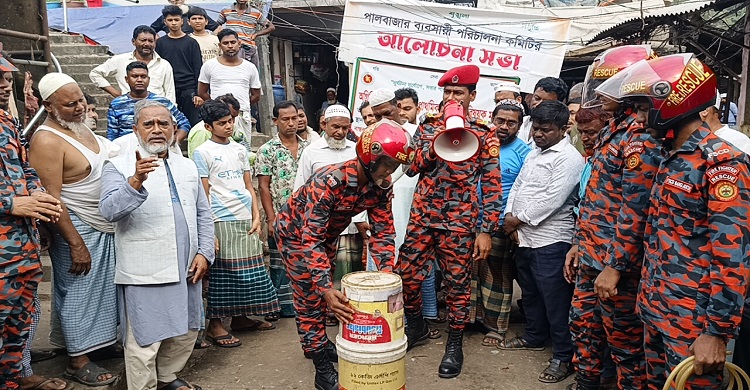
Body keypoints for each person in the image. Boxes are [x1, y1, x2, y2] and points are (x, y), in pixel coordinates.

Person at [600, 53, 750, 389]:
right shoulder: (670, 157)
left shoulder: (721, 164)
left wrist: (716, 332)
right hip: (655, 308)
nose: (638, 118)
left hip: (693, 322)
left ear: (674, 102)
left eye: (642, 108)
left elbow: (733, 258)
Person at [275, 121, 414, 390]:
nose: (390, 172)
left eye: (395, 167)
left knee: (322, 289)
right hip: (295, 235)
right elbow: (310, 238)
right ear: (369, 156)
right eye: (387, 165)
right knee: (311, 298)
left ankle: (318, 344)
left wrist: (386, 278)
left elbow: (384, 233)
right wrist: (326, 289)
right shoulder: (329, 182)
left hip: (325, 236)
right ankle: (320, 365)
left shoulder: (381, 186)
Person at [99, 100, 213, 390]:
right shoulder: (118, 165)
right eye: (148, 124)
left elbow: (203, 213)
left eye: (164, 123)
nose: (157, 130)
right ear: (136, 129)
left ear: (174, 129)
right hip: (145, 268)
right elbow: (109, 210)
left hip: (188, 266)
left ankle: (166, 377)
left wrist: (205, 252)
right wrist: (136, 180)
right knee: (145, 339)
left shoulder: (186, 165)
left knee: (186, 330)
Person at [399, 65, 503, 379]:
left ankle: (454, 343)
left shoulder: (485, 132)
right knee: (406, 276)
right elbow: (409, 168)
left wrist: (486, 230)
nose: (451, 97)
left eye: (458, 92)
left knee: (458, 287)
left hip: (460, 223)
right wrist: (435, 144)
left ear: (472, 96)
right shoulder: (428, 125)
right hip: (423, 217)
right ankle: (416, 326)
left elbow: (493, 184)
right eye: (447, 92)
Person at [566, 44, 656, 390]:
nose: (599, 93)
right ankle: (586, 383)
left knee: (625, 348)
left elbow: (634, 210)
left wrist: (615, 266)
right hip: (592, 255)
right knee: (584, 329)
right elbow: (596, 198)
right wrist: (579, 243)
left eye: (609, 85)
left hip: (616, 266)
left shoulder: (640, 137)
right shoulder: (612, 129)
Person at [28, 73, 118, 387]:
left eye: (80, 100)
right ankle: (78, 361)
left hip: (102, 223)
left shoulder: (79, 128)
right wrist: (75, 242)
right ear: (48, 107)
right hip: (76, 225)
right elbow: (51, 198)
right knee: (77, 293)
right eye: (69, 105)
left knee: (100, 292)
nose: (79, 108)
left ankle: (96, 344)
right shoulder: (47, 139)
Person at [500, 100, 584, 384]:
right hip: (524, 237)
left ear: (563, 129)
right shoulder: (535, 152)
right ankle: (534, 336)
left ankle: (563, 355)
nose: (538, 134)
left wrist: (517, 219)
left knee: (556, 300)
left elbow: (553, 200)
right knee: (531, 293)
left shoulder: (570, 158)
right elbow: (519, 186)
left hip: (551, 240)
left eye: (546, 130)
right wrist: (509, 214)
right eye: (535, 128)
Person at [0, 55, 64, 390]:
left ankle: (13, 381)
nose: (3, 85)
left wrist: (38, 194)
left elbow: (25, 168)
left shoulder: (7, 123)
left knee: (18, 323)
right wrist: (11, 202)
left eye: (7, 79)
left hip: (22, 249)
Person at [193, 100, 278, 348]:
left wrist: (256, 216)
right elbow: (204, 193)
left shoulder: (240, 150)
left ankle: (241, 319)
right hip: (220, 218)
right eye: (222, 123)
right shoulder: (202, 152)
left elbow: (248, 185)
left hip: (245, 218)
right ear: (208, 127)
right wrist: (209, 231)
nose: (228, 126)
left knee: (250, 271)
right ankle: (215, 325)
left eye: (230, 121)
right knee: (223, 274)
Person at [472, 99, 530, 347]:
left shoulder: (524, 152)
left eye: (511, 123)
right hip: (471, 219)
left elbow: (525, 189)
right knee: (472, 272)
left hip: (500, 222)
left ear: (519, 126)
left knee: (497, 275)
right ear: (492, 119)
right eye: (500, 120)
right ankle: (472, 318)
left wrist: (513, 223)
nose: (504, 126)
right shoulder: (477, 143)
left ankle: (496, 327)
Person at [293, 104, 369, 291]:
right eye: (335, 127)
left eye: (345, 128)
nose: (340, 132)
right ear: (324, 125)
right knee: (322, 269)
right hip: (321, 226)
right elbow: (301, 187)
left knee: (350, 271)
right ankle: (327, 309)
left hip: (351, 223)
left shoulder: (356, 149)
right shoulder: (312, 151)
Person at [255, 101, 309, 321]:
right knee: (280, 262)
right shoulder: (267, 150)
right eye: (285, 119)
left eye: (295, 118)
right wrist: (271, 218)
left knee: (307, 260)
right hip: (281, 215)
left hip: (308, 216)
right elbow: (263, 187)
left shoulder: (309, 147)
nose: (291, 123)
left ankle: (306, 305)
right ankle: (280, 307)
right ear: (275, 121)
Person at [198, 29, 260, 150]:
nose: (230, 46)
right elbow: (202, 92)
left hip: (242, 116)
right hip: (218, 118)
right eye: (226, 43)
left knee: (243, 151)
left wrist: (237, 107)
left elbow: (256, 95)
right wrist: (218, 107)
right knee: (219, 150)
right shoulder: (209, 65)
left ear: (239, 44)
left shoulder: (250, 67)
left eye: (233, 42)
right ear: (220, 45)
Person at [107, 61, 191, 142]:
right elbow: (112, 135)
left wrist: (173, 142)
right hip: (127, 151)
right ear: (127, 79)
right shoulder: (117, 104)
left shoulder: (162, 102)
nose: (139, 80)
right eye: (135, 76)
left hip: (158, 148)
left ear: (148, 79)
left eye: (143, 77)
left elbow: (184, 123)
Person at [90, 25, 175, 102]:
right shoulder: (120, 60)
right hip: (129, 110)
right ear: (133, 41)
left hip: (158, 110)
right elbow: (95, 74)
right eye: (143, 40)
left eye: (150, 41)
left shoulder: (164, 65)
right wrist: (115, 93)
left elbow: (170, 93)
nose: (147, 44)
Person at [155, 5, 204, 126]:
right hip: (169, 89)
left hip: (189, 89)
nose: (173, 23)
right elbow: (158, 67)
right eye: (170, 20)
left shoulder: (191, 42)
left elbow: (198, 68)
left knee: (194, 124)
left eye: (176, 20)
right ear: (165, 22)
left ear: (182, 21)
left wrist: (198, 93)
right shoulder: (160, 43)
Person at [218, 0, 275, 69]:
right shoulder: (226, 10)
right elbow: (217, 25)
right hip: (233, 48)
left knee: (253, 73)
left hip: (249, 48)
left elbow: (271, 27)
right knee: (234, 71)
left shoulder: (255, 13)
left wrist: (256, 34)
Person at [517, 77, 568, 145]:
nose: (538, 104)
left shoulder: (560, 137)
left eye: (546, 102)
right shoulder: (520, 122)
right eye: (537, 98)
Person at [188, 93, 241, 159]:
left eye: (230, 120)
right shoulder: (201, 132)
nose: (231, 124)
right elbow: (197, 162)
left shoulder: (225, 131)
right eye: (222, 123)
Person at [150, 0, 220, 35]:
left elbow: (218, 28)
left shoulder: (195, 13)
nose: (177, 2)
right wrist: (158, 41)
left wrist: (209, 38)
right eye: (174, 0)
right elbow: (150, 31)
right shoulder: (165, 16)